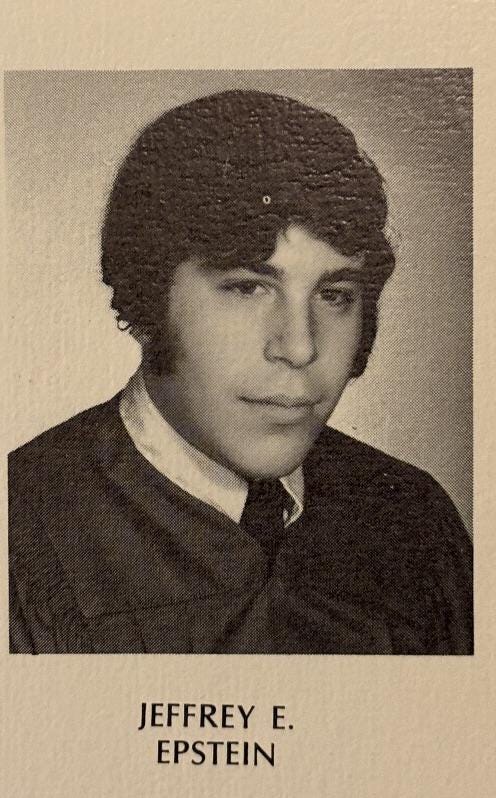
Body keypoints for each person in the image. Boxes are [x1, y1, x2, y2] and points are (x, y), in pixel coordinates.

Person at [8, 89, 473, 654]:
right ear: (148, 294)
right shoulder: (22, 535)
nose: (300, 348)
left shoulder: (413, 520)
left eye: (333, 295)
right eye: (248, 288)